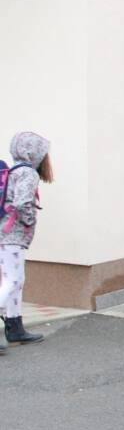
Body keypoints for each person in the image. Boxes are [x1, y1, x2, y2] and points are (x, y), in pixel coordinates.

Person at [1, 131, 54, 350]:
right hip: (12, 235)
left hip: (6, 234)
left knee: (16, 280)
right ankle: (14, 328)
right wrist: (29, 221)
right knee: (12, 280)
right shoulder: (28, 173)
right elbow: (22, 204)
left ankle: (15, 327)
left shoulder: (14, 171)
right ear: (35, 153)